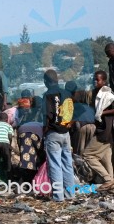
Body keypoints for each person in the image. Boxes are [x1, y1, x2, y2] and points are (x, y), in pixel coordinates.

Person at [42, 69, 74, 202]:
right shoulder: (67, 93)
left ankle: (58, 197)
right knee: (67, 164)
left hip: (53, 134)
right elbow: (71, 112)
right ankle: (70, 195)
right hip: (66, 133)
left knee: (55, 165)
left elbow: (46, 116)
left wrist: (45, 132)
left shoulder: (47, 95)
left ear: (46, 81)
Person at [83, 70, 114, 192]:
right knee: (106, 158)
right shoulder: (96, 93)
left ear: (104, 81)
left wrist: (102, 112)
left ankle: (107, 180)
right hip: (105, 130)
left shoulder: (108, 95)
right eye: (94, 79)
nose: (95, 81)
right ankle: (111, 183)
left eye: (98, 80)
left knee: (87, 154)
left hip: (105, 130)